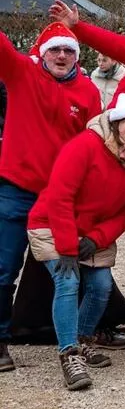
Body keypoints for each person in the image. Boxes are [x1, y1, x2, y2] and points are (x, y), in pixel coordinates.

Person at [26, 93, 125, 390]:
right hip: (52, 226)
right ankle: (69, 354)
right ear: (116, 121)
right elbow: (60, 197)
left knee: (100, 287)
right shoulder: (86, 145)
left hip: (92, 234)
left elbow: (124, 214)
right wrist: (66, 247)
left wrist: (96, 237)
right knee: (68, 281)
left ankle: (83, 338)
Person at [0, 22, 101, 372]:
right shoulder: (20, 73)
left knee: (72, 269)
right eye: (55, 50)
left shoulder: (88, 91)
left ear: (77, 56)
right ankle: (0, 341)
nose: (62, 56)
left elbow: (94, 143)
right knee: (3, 268)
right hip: (18, 188)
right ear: (43, 53)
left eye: (69, 50)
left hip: (61, 197)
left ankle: (80, 338)